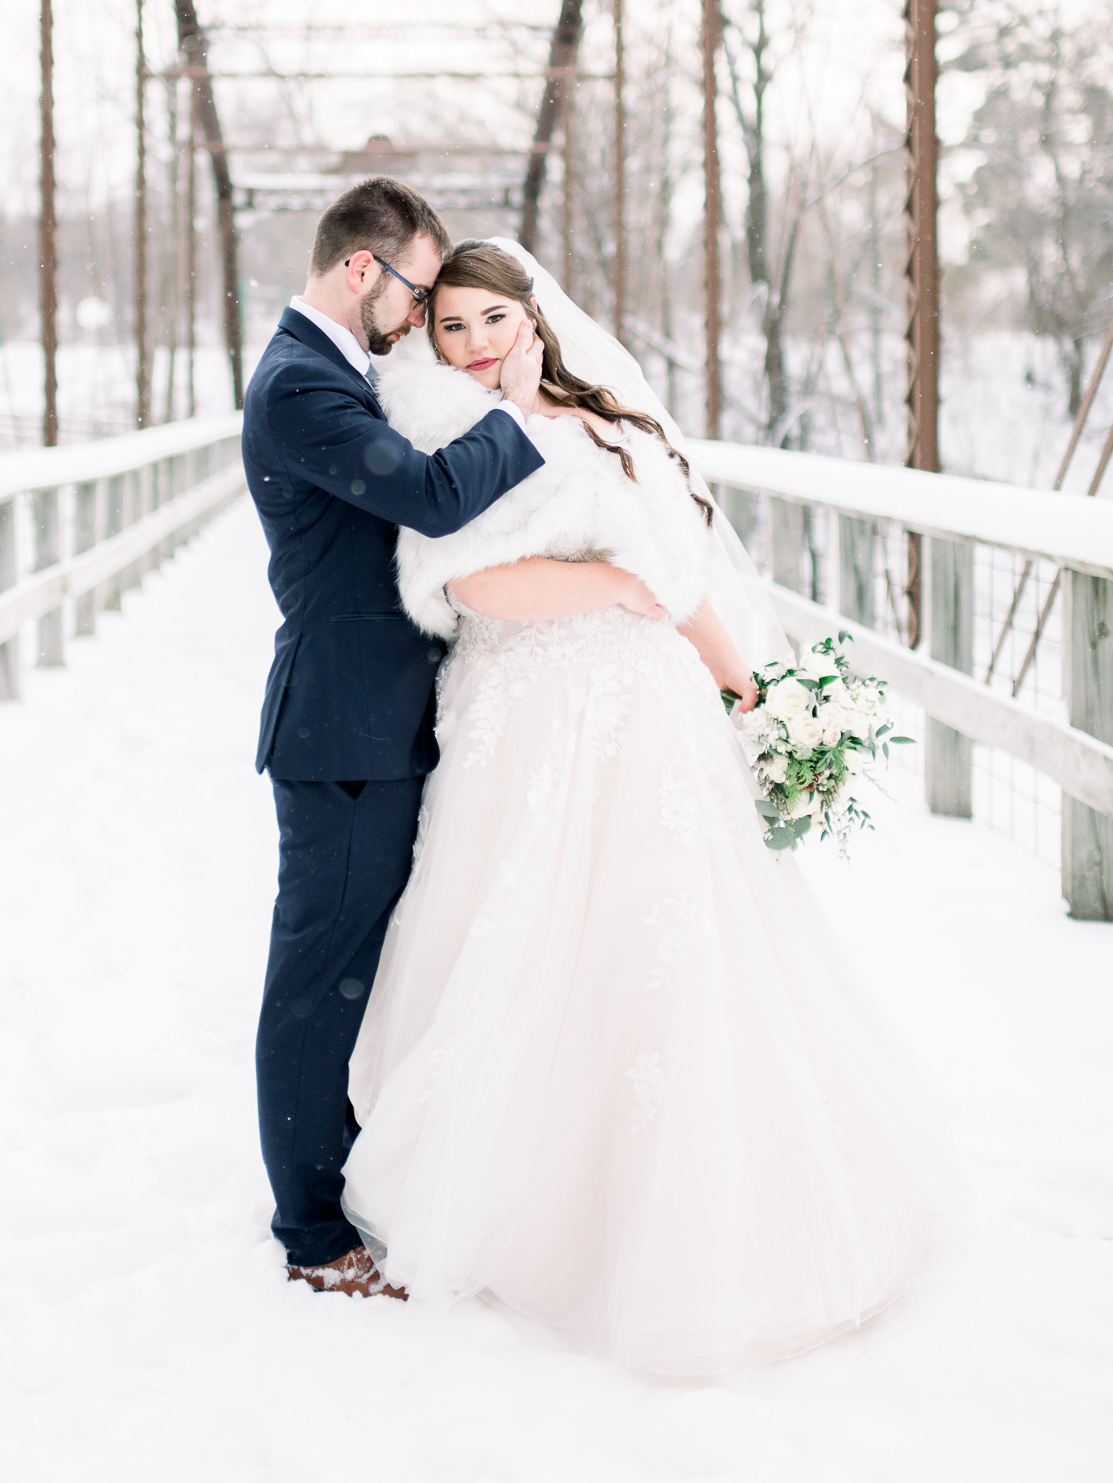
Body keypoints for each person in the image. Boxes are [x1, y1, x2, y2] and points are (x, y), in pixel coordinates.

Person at [343, 238, 961, 1375]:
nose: (476, 345)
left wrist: (753, 695)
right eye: (452, 328)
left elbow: (677, 577)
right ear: (427, 341)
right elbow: (465, 583)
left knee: (673, 935)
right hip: (526, 716)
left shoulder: (613, 430)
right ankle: (534, 1205)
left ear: (533, 319)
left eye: (493, 321)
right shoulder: (444, 437)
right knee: (529, 933)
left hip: (648, 713)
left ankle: (701, 1214)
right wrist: (608, 587)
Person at [243, 182, 547, 1299]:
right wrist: (517, 416)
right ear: (365, 272)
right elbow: (427, 497)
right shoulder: (300, 387)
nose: (424, 320)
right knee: (317, 976)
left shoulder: (339, 371)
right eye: (420, 295)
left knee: (351, 971)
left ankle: (339, 1177)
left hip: (374, 721)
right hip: (341, 731)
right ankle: (311, 1232)